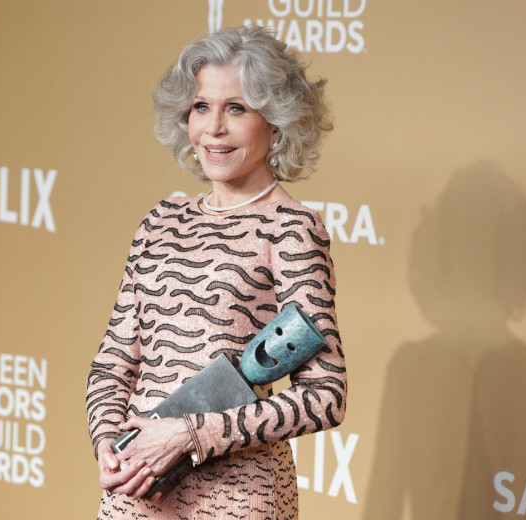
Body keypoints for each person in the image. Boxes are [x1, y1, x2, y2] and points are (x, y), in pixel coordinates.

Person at [86, 25, 346, 519]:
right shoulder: (161, 220)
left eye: (237, 108)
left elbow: (325, 396)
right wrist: (110, 444)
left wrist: (191, 434)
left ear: (276, 122)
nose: (214, 129)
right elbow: (112, 363)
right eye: (202, 107)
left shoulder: (290, 229)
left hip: (237, 498)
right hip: (138, 491)